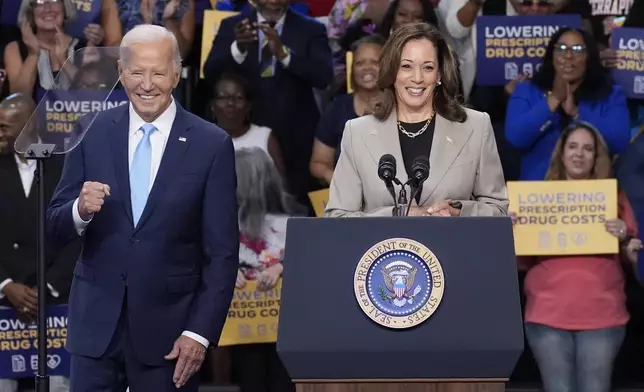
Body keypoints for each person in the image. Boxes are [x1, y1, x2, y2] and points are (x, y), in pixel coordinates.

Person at [46, 24, 239, 391]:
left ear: (176, 73)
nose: (146, 84)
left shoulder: (211, 145)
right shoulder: (92, 130)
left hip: (170, 337)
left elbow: (223, 254)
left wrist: (199, 334)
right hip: (95, 332)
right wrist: (80, 211)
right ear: (120, 73)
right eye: (136, 72)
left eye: (158, 72)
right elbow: (54, 226)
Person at [325, 22, 508, 218]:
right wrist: (397, 215)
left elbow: (497, 209)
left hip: (453, 246)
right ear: (392, 71)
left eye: (427, 67)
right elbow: (338, 217)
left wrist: (459, 212)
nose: (417, 78)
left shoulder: (476, 127)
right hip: (385, 248)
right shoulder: (357, 132)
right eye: (406, 66)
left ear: (439, 74)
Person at [510, 122, 640, 392]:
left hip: (603, 317)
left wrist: (625, 236)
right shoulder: (535, 199)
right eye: (573, 146)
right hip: (547, 317)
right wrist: (514, 233)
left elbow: (633, 260)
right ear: (561, 153)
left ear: (596, 156)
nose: (579, 154)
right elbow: (519, 263)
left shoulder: (614, 198)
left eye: (588, 148)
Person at [0, 93, 79, 392]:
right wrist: (6, 284)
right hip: (5, 300)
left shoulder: (64, 165)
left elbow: (77, 234)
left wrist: (46, 287)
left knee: (58, 384)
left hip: (54, 300)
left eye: (6, 127)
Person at [505, 27, 630, 181]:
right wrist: (553, 100)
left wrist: (577, 115)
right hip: (537, 194)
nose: (568, 55)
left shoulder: (610, 94)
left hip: (594, 196)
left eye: (577, 49)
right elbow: (515, 138)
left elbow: (619, 141)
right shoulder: (527, 91)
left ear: (589, 57)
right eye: (561, 48)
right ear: (552, 55)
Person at [231, 147, 300, 392]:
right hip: (245, 321)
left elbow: (312, 259)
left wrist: (281, 266)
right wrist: (227, 271)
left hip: (286, 321)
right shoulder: (222, 220)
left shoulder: (296, 216)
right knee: (251, 378)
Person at [310, 34, 385, 185]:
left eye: (375, 62)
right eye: (359, 63)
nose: (367, 68)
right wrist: (336, 180)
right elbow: (318, 162)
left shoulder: (406, 106)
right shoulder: (337, 109)